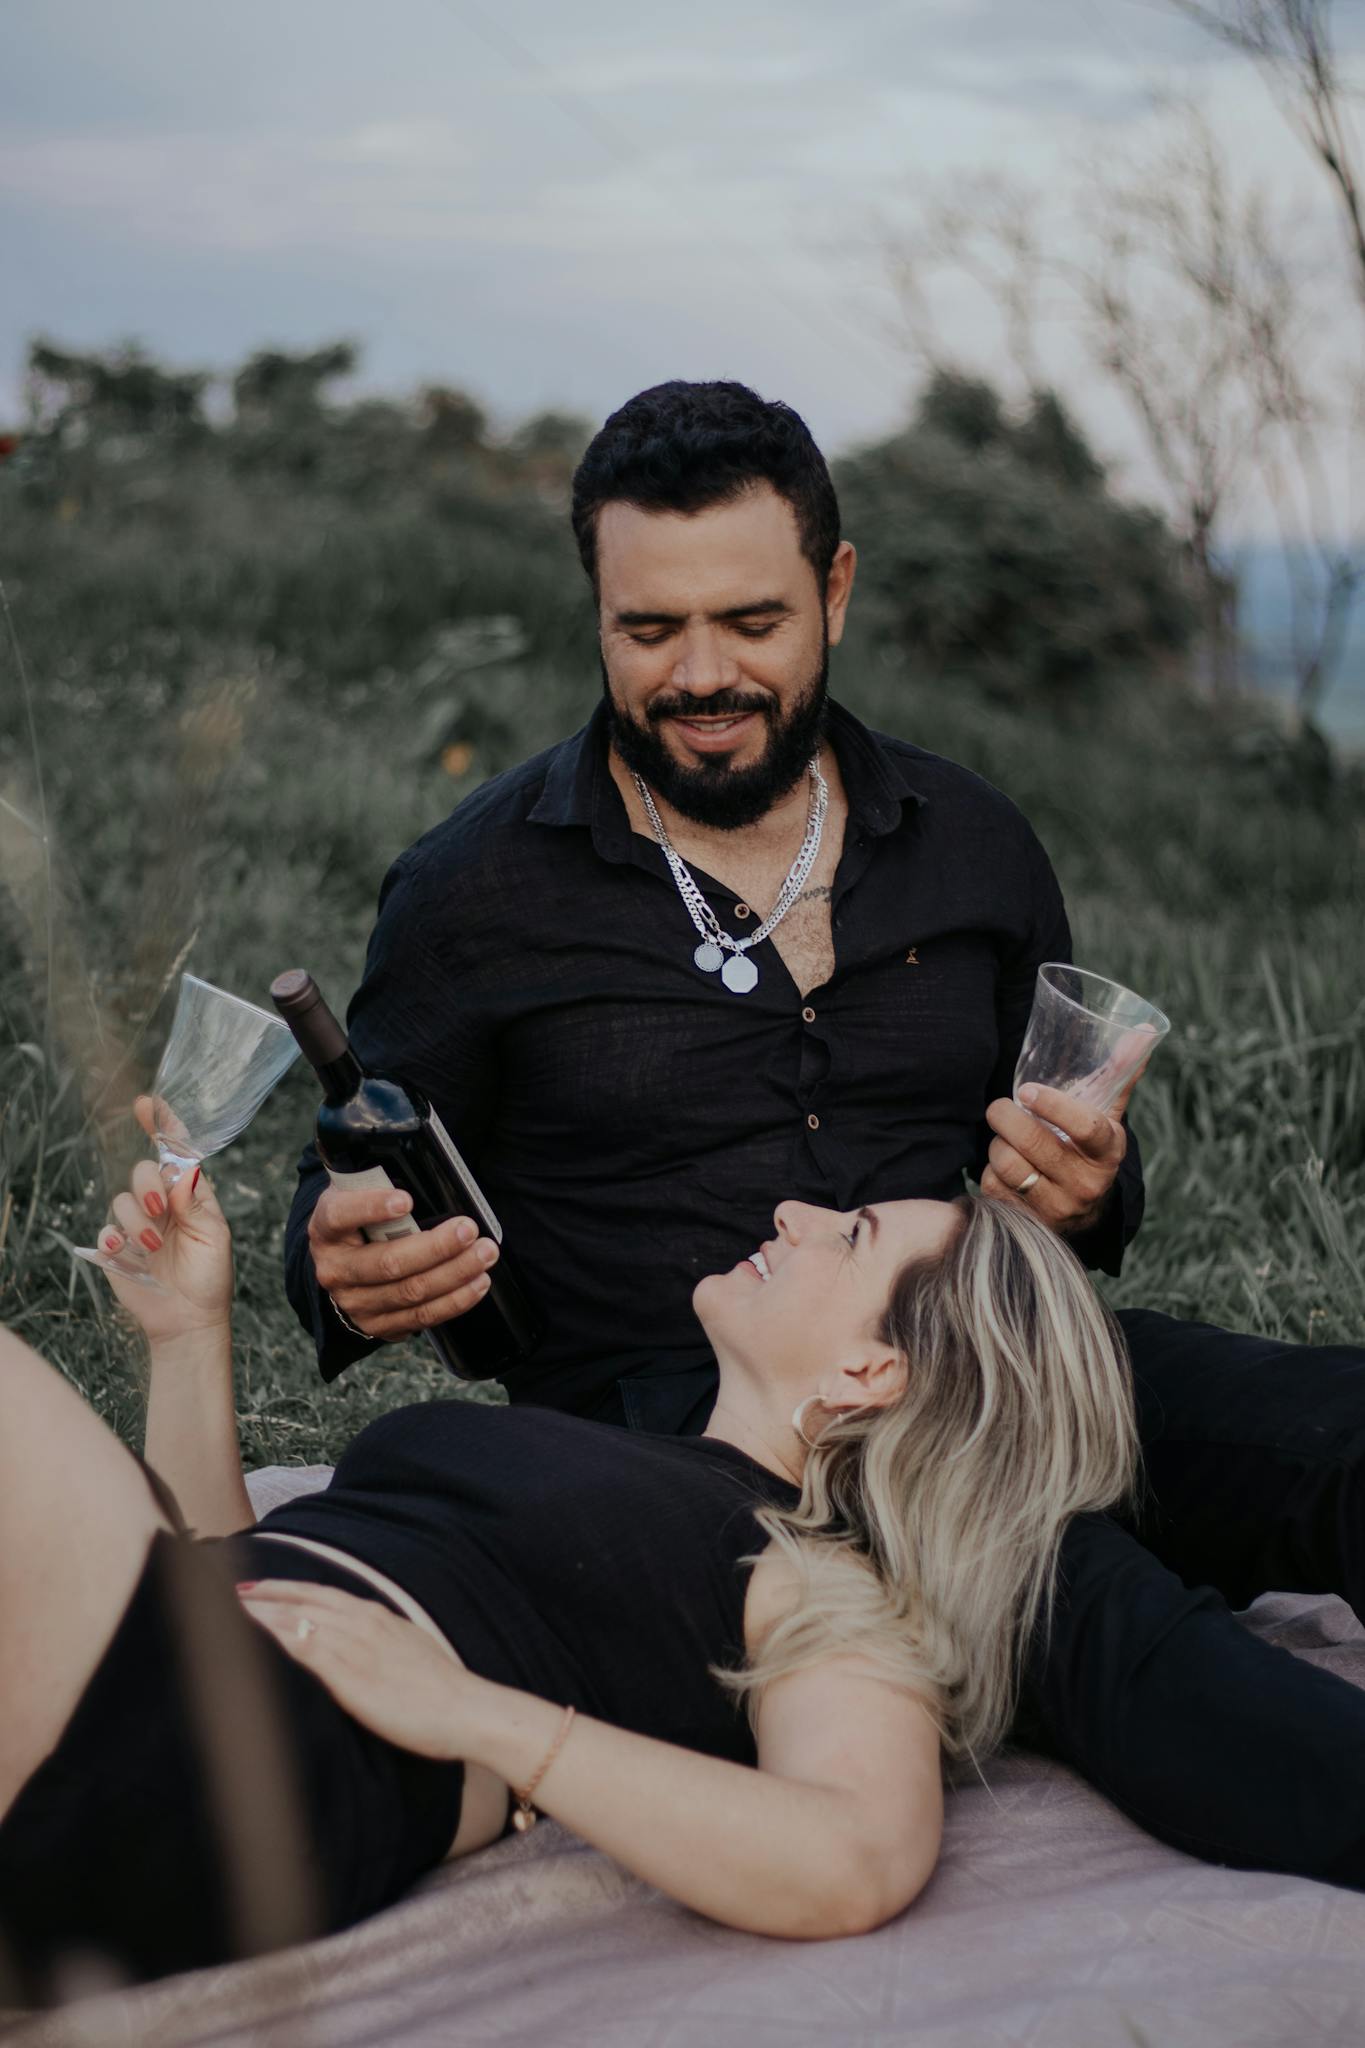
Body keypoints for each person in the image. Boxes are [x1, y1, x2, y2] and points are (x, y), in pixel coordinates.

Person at [282, 378, 1365, 1891]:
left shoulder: (971, 840)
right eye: (648, 632)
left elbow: (1082, 1186)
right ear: (594, 605)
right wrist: (340, 1268)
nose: (701, 674)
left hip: (994, 1345)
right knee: (1091, 1608)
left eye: (751, 622)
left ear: (835, 590)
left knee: (1333, 1426)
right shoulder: (476, 895)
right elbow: (344, 1187)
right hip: (713, 1437)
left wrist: (1093, 1191)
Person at [0, 1116, 1138, 1993]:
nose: (794, 1211)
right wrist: (189, 1331)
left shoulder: (813, 1570)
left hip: (236, 1757)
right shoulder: (644, 1469)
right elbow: (250, 1568)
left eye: (850, 1235)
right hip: (182, 1660)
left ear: (869, 1376)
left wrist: (472, 1715)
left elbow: (860, 1852)